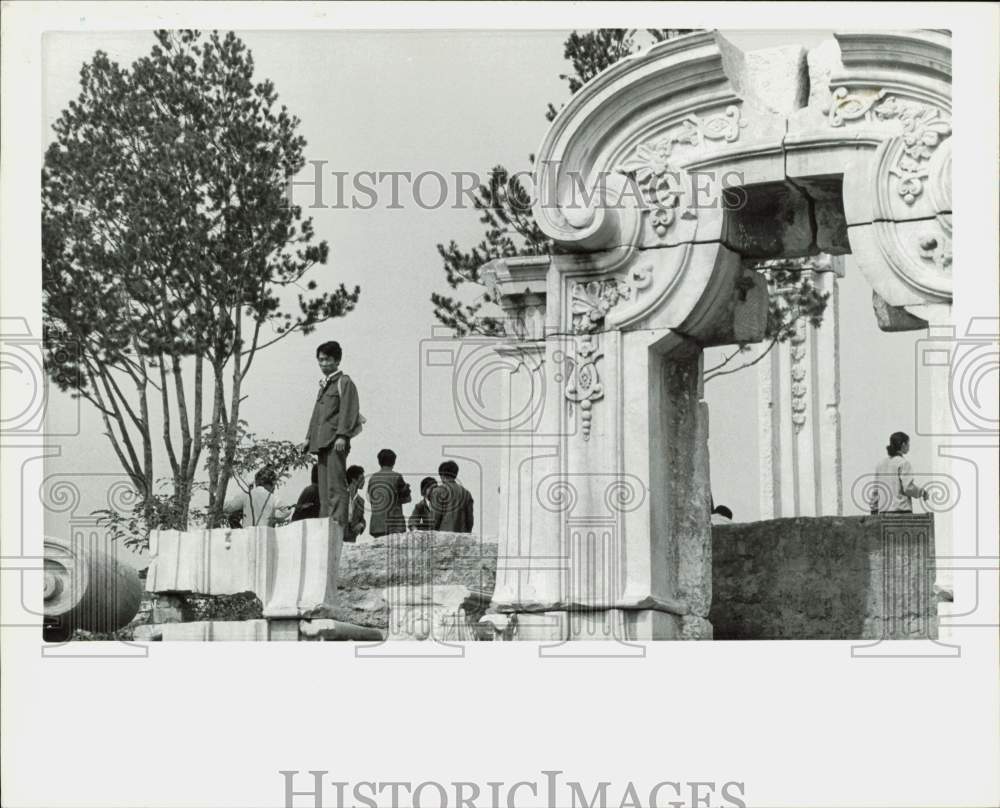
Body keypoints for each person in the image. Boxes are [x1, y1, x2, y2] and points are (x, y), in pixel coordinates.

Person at [298, 341, 361, 528]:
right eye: (320, 360)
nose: (323, 364)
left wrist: (342, 435)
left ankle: (337, 525)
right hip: (321, 442)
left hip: (335, 441)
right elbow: (316, 414)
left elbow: (349, 410)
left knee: (336, 486)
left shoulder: (344, 382)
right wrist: (308, 438)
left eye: (327, 360)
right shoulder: (323, 386)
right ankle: (325, 525)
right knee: (323, 489)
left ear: (337, 360)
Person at [871, 431, 929, 514]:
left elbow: (875, 491)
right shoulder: (903, 463)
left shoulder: (880, 464)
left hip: (883, 513)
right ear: (903, 445)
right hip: (901, 512)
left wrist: (874, 509)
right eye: (908, 443)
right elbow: (908, 488)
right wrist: (922, 492)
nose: (909, 446)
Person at [223, 467, 294, 528]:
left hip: (249, 533)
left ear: (257, 482)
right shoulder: (272, 497)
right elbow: (287, 510)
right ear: (270, 484)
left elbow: (228, 507)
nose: (274, 488)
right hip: (266, 534)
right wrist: (273, 516)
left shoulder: (247, 495)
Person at [367, 449, 412, 537]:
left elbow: (372, 499)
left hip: (376, 526)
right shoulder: (397, 477)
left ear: (379, 462)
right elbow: (407, 499)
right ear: (393, 462)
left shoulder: (372, 478)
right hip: (394, 526)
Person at [430, 460, 474, 533]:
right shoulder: (467, 494)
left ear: (442, 475)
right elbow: (470, 521)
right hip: (462, 537)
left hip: (443, 537)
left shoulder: (437, 491)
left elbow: (435, 518)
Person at [345, 465, 367, 543]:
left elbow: (362, 519)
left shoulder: (361, 501)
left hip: (352, 538)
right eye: (362, 479)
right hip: (338, 536)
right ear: (354, 480)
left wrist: (361, 525)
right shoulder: (341, 497)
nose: (364, 481)